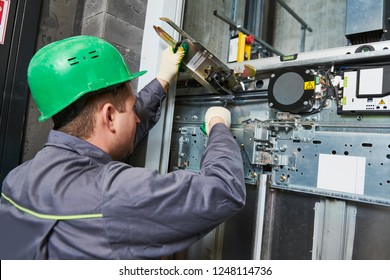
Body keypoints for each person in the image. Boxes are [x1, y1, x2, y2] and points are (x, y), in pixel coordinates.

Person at [0, 35, 246, 259]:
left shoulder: (18, 179)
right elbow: (223, 190)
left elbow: (118, 132)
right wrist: (218, 124)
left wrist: (162, 80)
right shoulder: (113, 195)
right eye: (131, 108)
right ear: (108, 116)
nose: (137, 118)